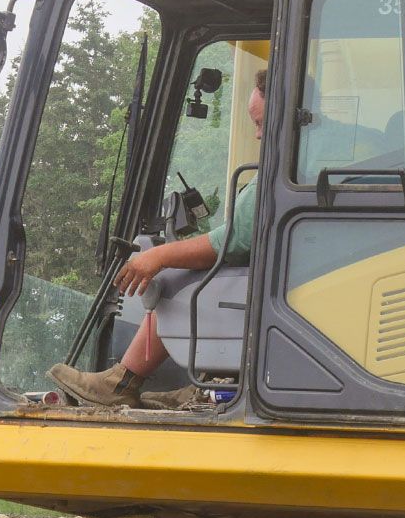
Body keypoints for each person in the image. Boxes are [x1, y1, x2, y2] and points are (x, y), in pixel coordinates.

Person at [50, 68, 267, 409]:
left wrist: (160, 257)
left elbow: (236, 240)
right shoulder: (326, 150)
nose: (257, 136)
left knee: (175, 277)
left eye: (261, 124)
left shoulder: (293, 164)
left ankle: (121, 382)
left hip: (277, 291)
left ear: (290, 114)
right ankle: (204, 386)